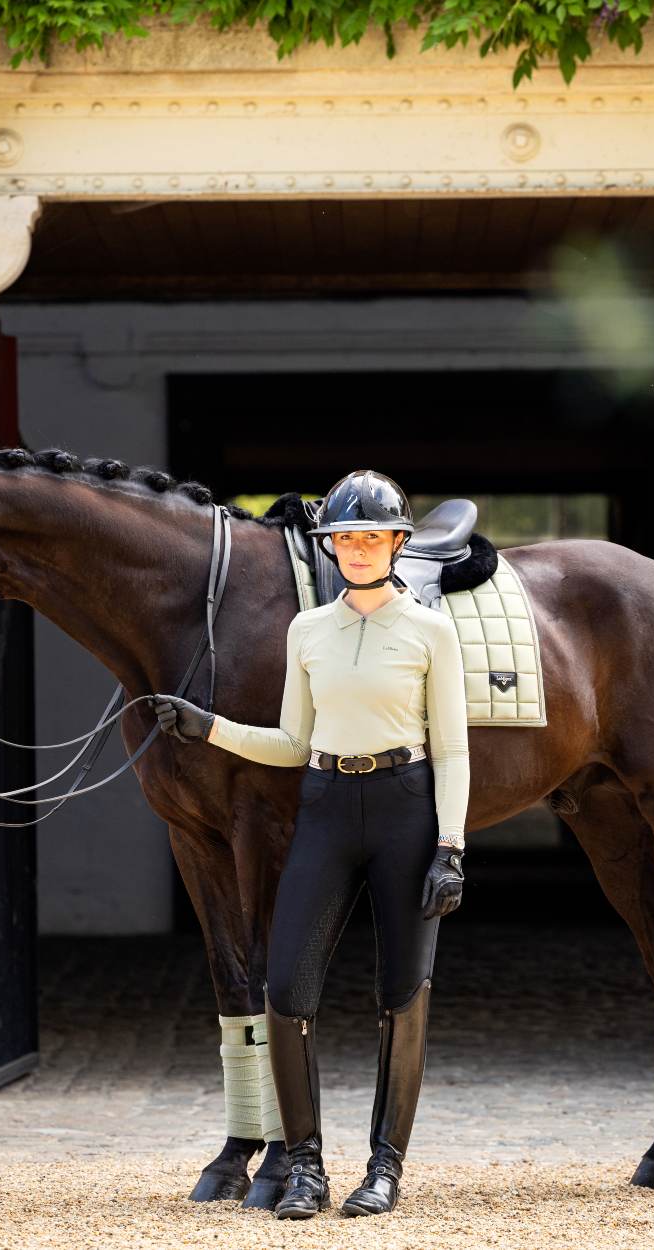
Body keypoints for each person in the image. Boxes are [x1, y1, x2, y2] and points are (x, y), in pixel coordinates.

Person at [148, 469, 470, 1220]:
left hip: (406, 808)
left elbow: (452, 749)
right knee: (287, 988)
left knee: (403, 994)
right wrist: (210, 726)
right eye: (346, 539)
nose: (359, 549)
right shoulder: (308, 630)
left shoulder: (430, 630)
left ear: (396, 543)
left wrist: (450, 846)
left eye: (373, 538)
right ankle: (305, 1169)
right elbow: (294, 742)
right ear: (332, 546)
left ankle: (384, 1169)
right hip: (326, 804)